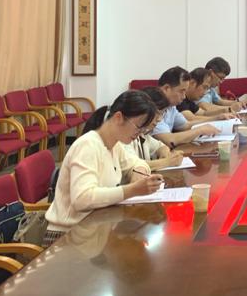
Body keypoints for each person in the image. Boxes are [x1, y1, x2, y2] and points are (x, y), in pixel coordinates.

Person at [43, 90, 165, 247]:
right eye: (138, 127)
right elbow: (82, 199)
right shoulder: (88, 146)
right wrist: (132, 190)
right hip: (67, 236)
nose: (139, 133)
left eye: (143, 129)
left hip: (94, 230)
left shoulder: (115, 145)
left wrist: (139, 172)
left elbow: (136, 163)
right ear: (118, 117)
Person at [151, 66, 220, 149]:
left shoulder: (171, 106)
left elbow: (185, 125)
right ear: (166, 88)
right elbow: (169, 140)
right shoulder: (153, 106)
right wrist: (200, 130)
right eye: (181, 91)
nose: (184, 97)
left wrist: (216, 118)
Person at [125, 86, 186, 171]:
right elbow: (133, 166)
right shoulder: (124, 135)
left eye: (162, 114)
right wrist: (167, 162)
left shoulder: (143, 133)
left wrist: (165, 154)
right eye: (157, 113)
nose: (159, 119)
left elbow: (160, 146)